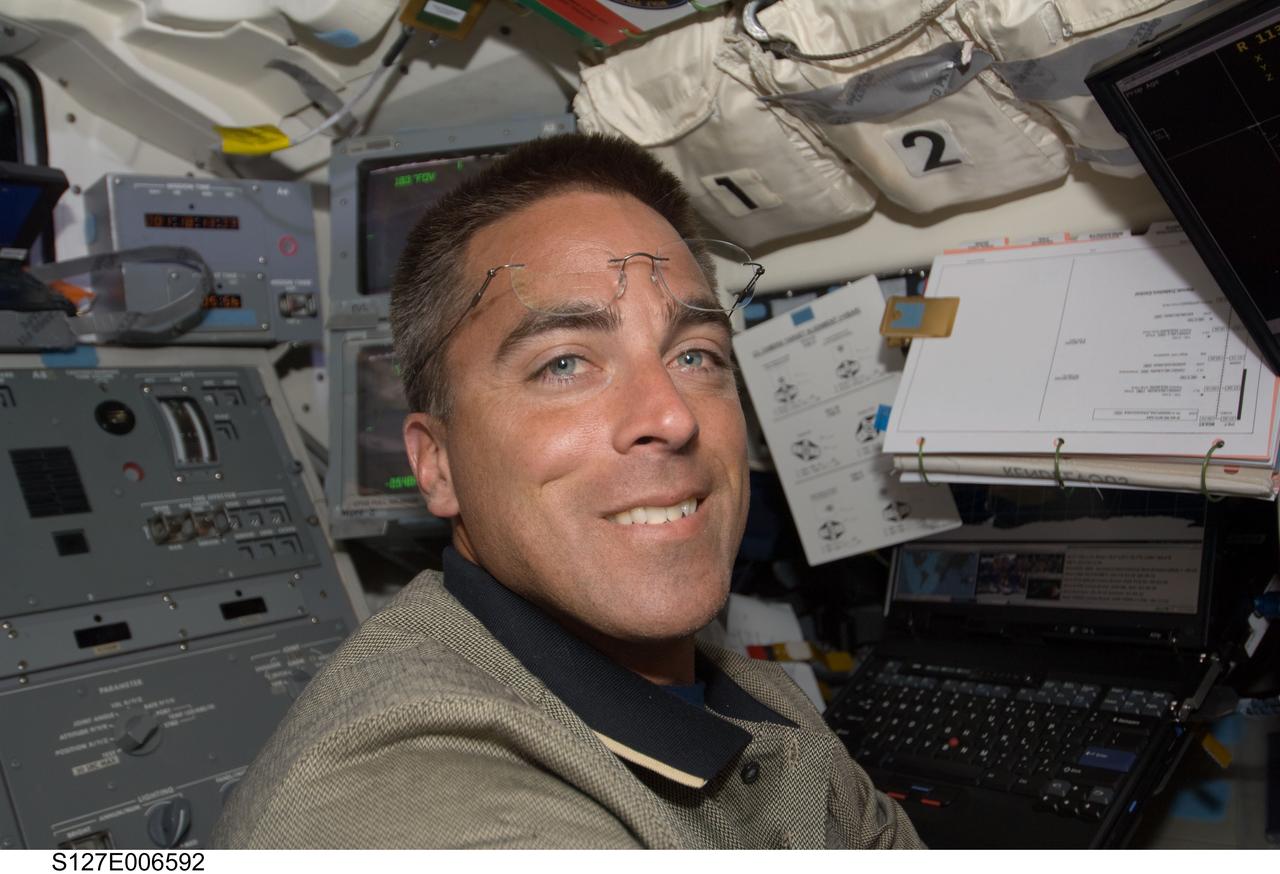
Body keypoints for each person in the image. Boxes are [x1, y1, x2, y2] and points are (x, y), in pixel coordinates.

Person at [213, 132, 922, 849]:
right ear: (437, 467)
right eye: (563, 365)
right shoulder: (411, 798)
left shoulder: (756, 693)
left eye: (696, 354)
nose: (672, 416)